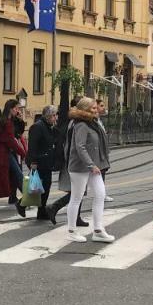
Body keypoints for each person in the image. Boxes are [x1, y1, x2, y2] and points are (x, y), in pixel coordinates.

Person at [65, 96, 114, 242]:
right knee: (76, 198)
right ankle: (72, 231)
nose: (97, 109)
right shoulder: (81, 124)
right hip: (80, 167)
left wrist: (96, 164)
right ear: (86, 110)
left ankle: (98, 230)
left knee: (100, 194)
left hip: (95, 165)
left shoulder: (93, 123)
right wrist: (91, 165)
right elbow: (80, 147)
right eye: (93, 108)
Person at [24, 105, 59, 222]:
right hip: (39, 161)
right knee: (37, 186)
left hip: (46, 161)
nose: (55, 118)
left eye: (56, 115)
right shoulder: (38, 127)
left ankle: (41, 211)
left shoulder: (49, 126)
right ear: (48, 116)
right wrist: (33, 162)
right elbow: (32, 146)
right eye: (54, 115)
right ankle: (22, 205)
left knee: (44, 187)